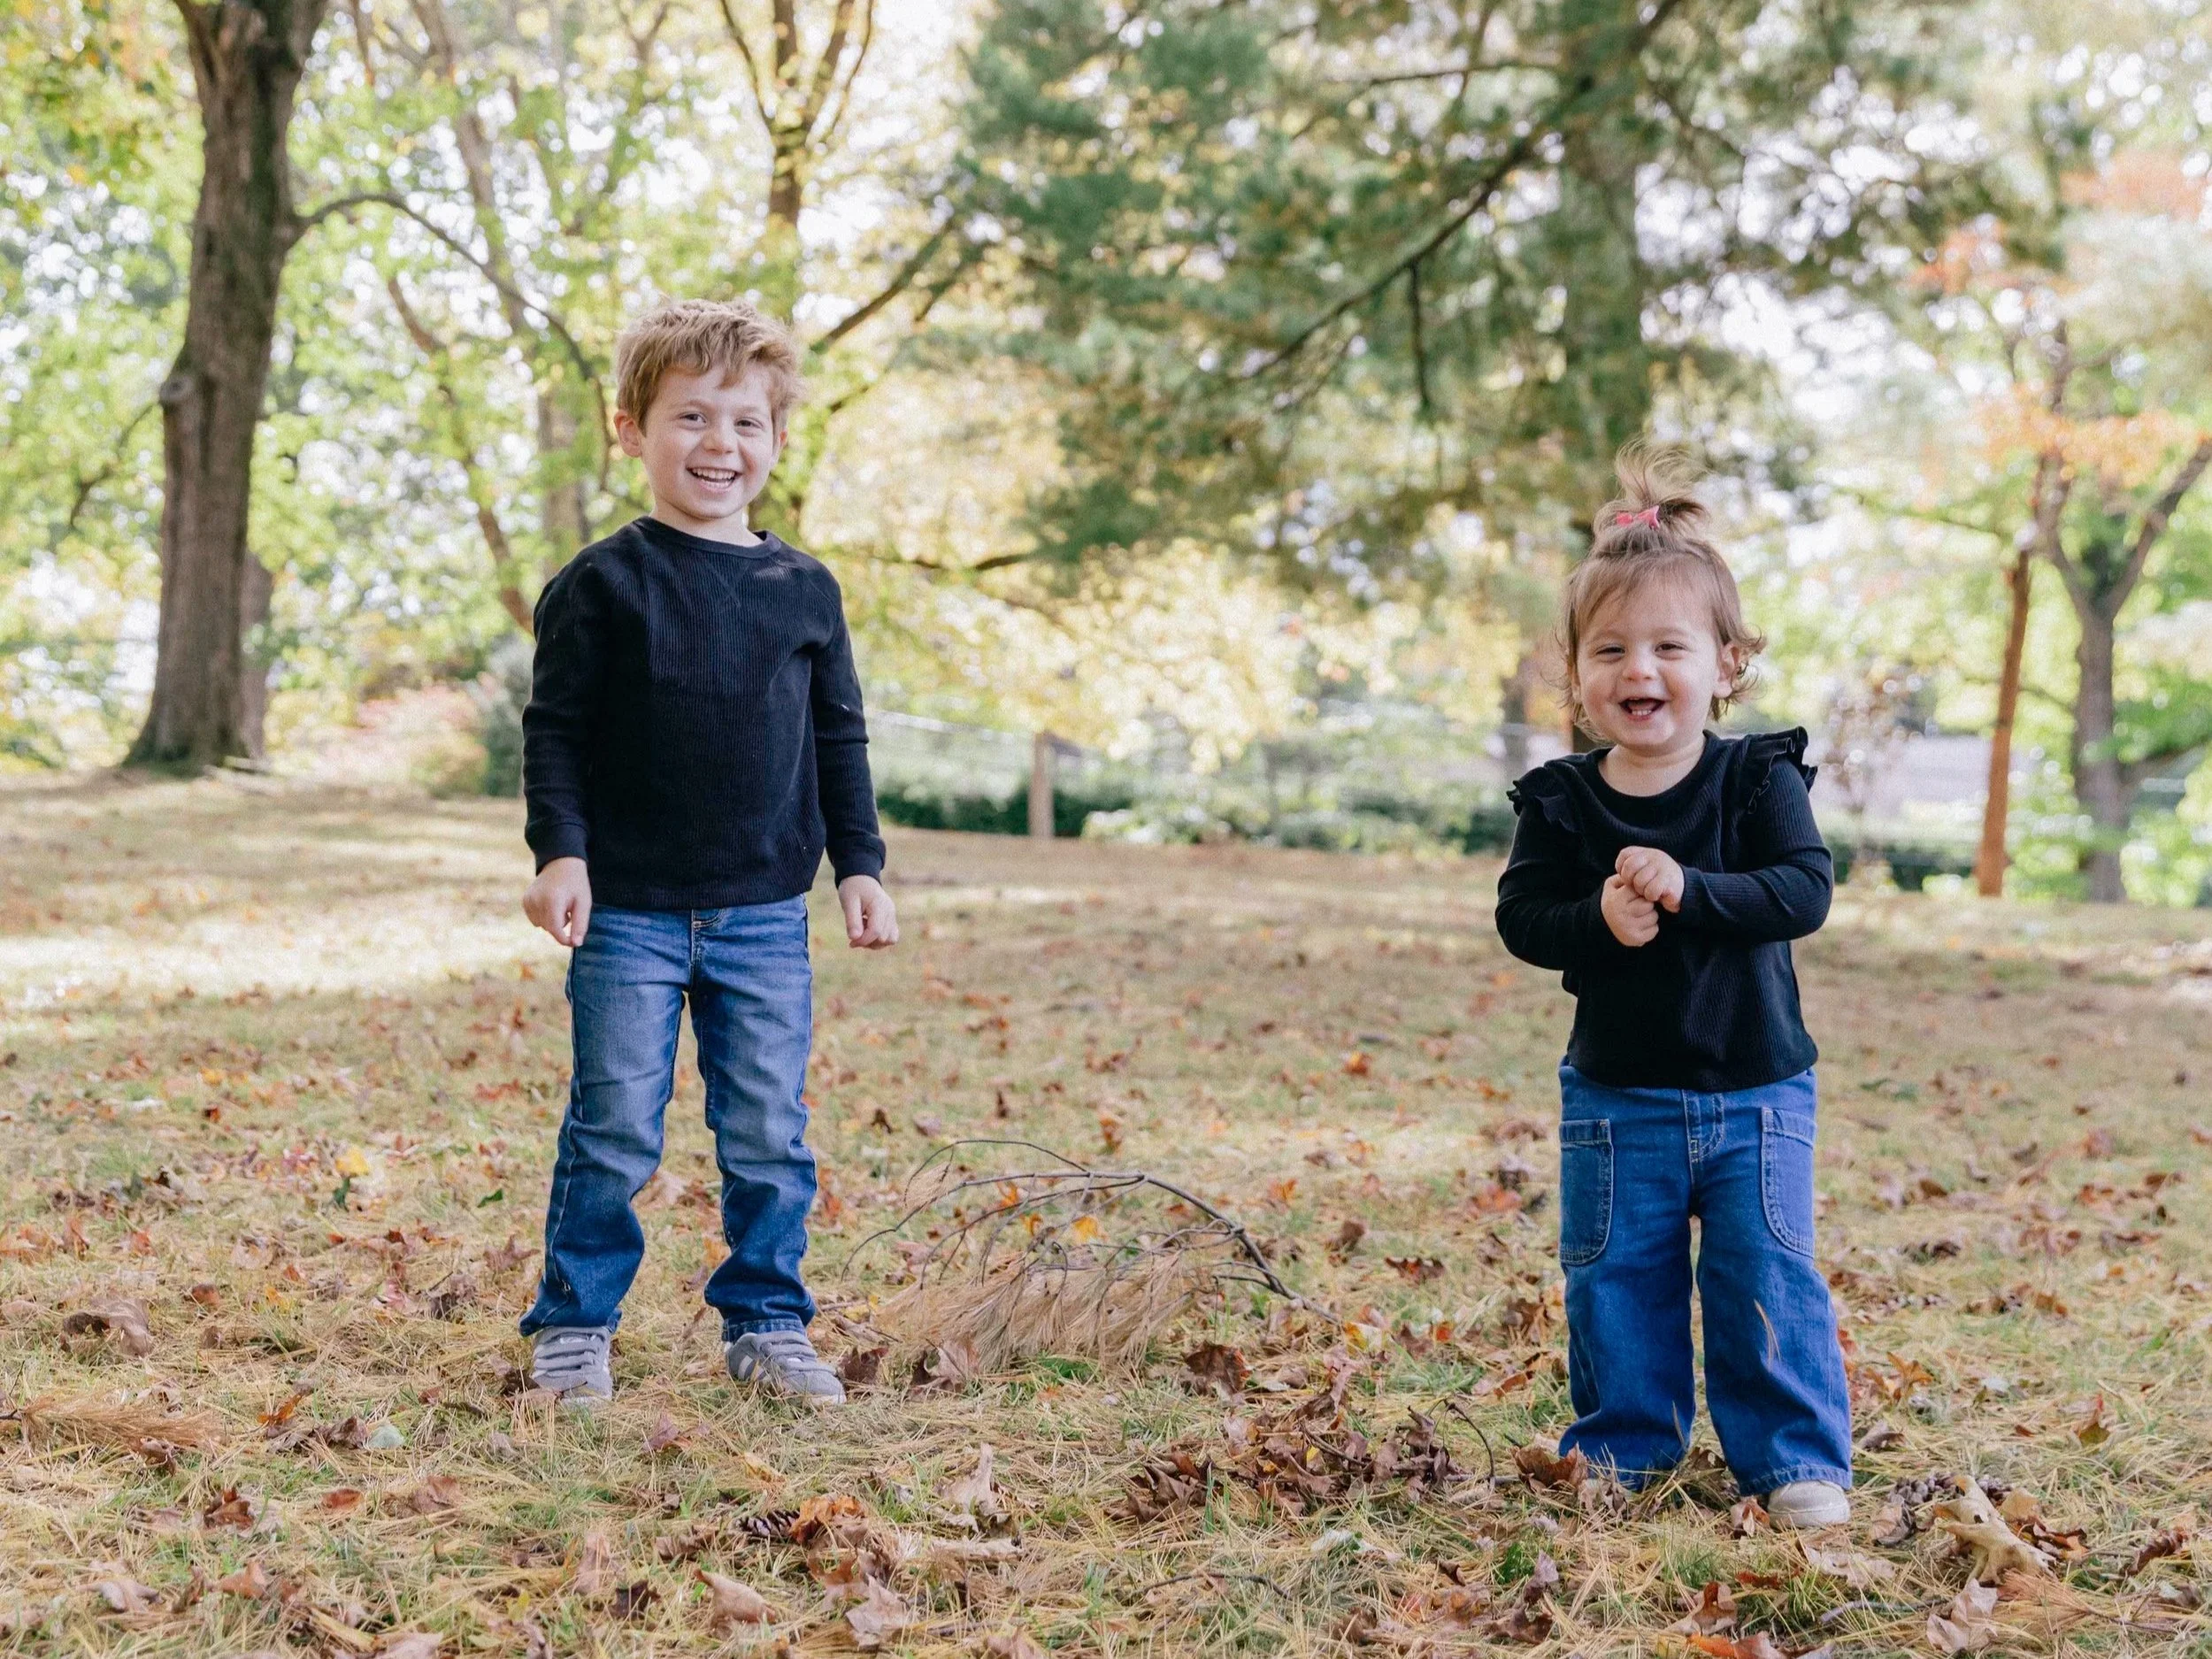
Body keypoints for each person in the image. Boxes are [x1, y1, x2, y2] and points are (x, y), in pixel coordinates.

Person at [516, 298, 898, 1406]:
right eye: (690, 417)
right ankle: (575, 1324)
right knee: (614, 1128)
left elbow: (839, 734)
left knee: (771, 1131)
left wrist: (860, 864)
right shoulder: (602, 584)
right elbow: (558, 733)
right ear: (631, 430)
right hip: (629, 911)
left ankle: (767, 1321)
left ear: (775, 441)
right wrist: (562, 854)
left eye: (745, 423)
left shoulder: (803, 590)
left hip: (764, 914)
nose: (718, 446)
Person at [1493, 445, 1852, 1528]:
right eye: (1609, 650)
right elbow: (1522, 919)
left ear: (1725, 665)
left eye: (1667, 646)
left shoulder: (1756, 778)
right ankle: (1622, 1454)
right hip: (1616, 1099)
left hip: (1757, 1093)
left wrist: (1691, 889)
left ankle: (1791, 1464)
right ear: (1576, 675)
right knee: (1618, 1282)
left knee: (1765, 1279)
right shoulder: (1559, 801)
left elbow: (1801, 891)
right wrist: (1595, 919)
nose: (1636, 668)